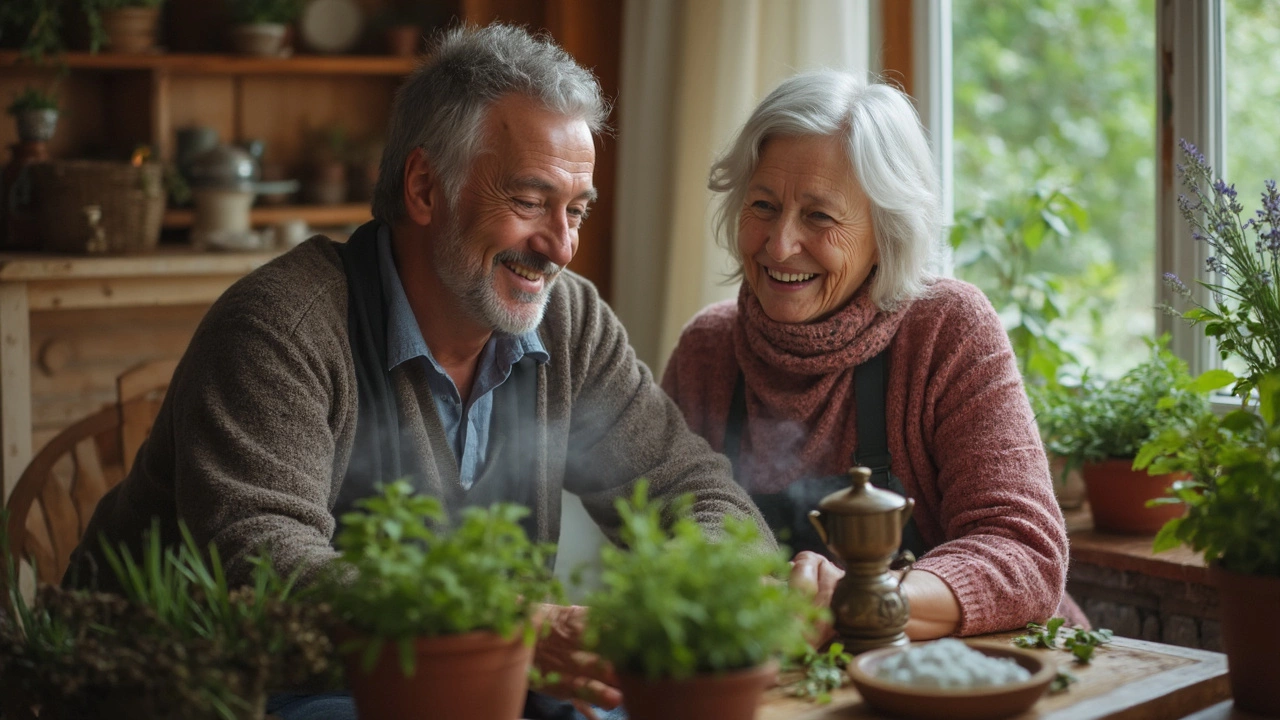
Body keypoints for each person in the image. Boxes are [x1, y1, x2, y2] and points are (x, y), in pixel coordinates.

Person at [68, 24, 771, 720]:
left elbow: (693, 488)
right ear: (426, 188)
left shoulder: (570, 322)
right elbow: (264, 564)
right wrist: (516, 626)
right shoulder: (280, 328)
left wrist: (688, 602)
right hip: (218, 686)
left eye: (576, 210)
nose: (561, 246)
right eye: (529, 202)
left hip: (461, 677)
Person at [661, 69, 1086, 640]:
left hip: (968, 674)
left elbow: (1024, 552)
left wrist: (861, 601)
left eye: (819, 215)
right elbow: (664, 541)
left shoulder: (947, 330)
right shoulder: (706, 351)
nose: (780, 243)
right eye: (763, 205)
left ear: (886, 233)